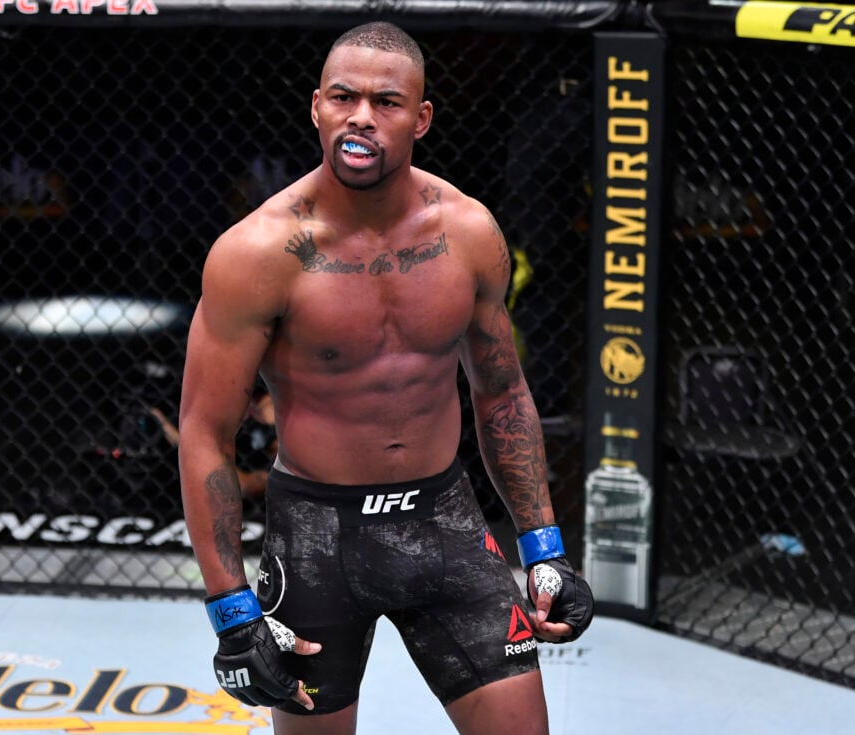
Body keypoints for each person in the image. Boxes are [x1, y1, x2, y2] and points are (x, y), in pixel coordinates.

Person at [178, 22, 593, 735]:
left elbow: (502, 393)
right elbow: (204, 435)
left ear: (421, 117)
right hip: (316, 536)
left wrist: (544, 547)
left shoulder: (466, 232)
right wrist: (231, 611)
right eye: (343, 97)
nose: (361, 117)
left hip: (446, 523)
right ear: (316, 108)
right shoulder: (257, 252)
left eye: (386, 101)